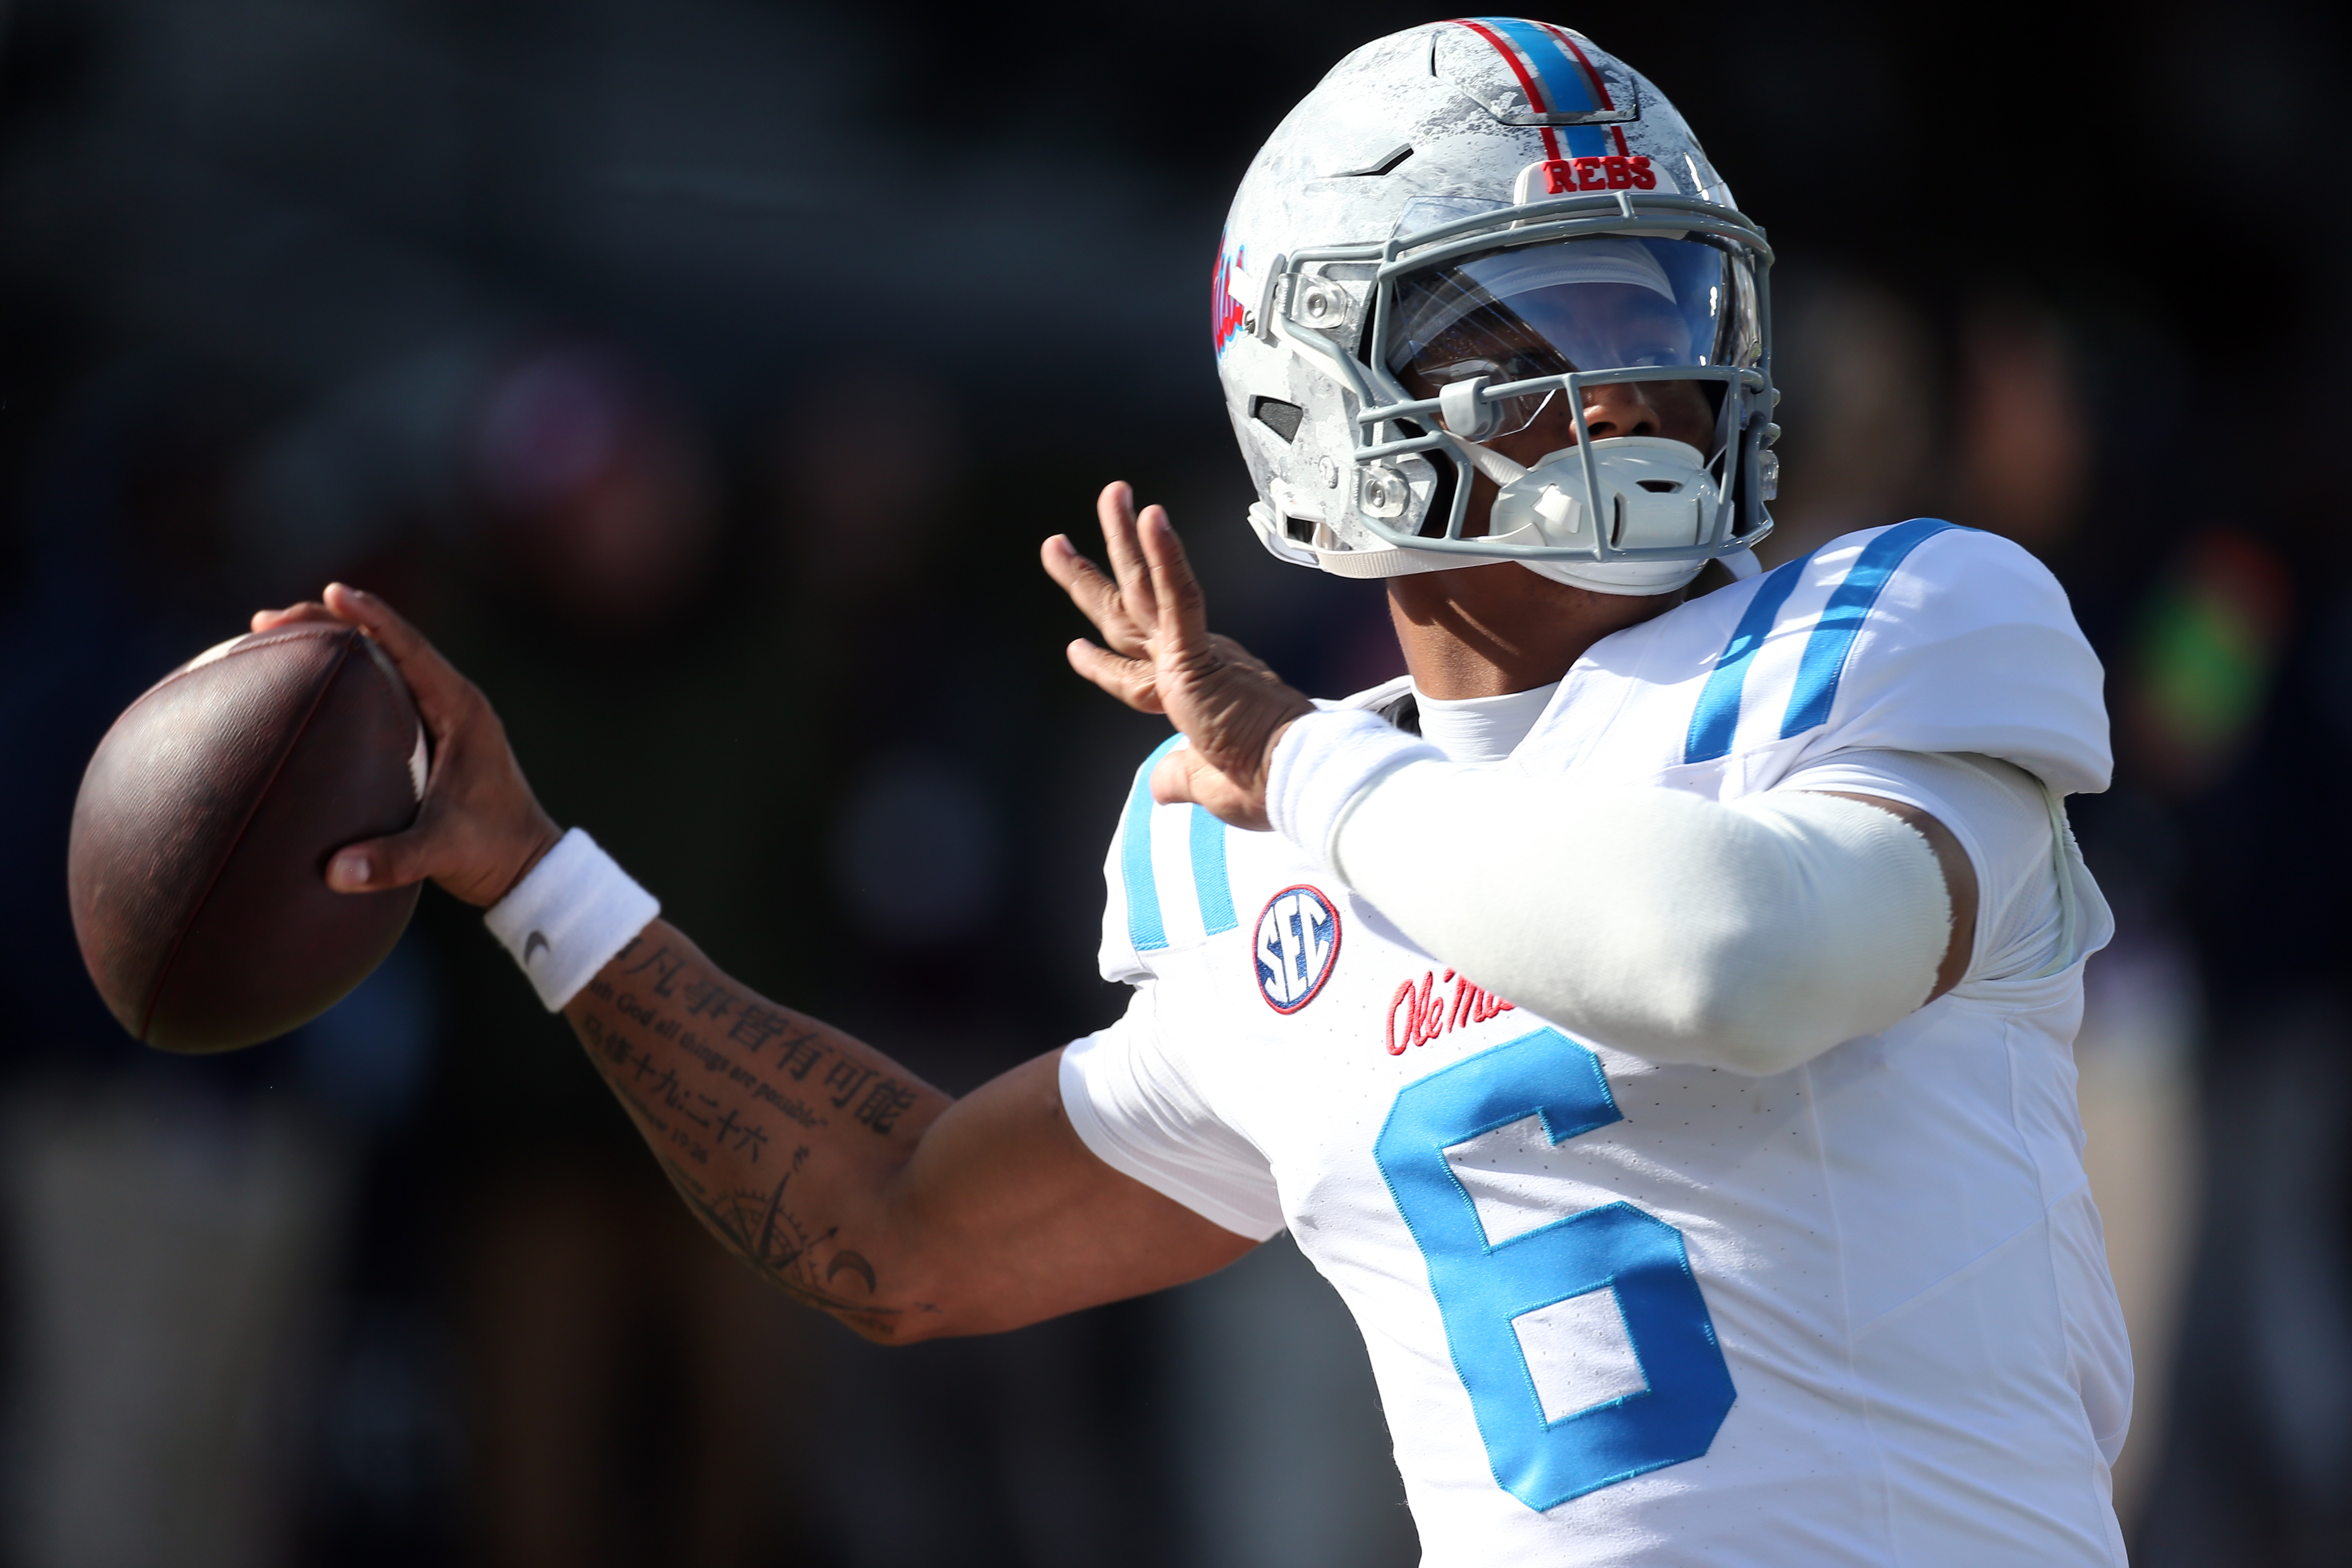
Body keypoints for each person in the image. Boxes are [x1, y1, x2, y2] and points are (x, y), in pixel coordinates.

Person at [255, 20, 2129, 1565]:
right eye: (1549, 322)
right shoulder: (1253, 851)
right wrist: (532, 876)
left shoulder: (1894, 626)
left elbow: (1734, 962)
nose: (1639, 383)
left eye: (1661, 303)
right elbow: (903, 1228)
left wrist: (1303, 758)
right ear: (1318, 389)